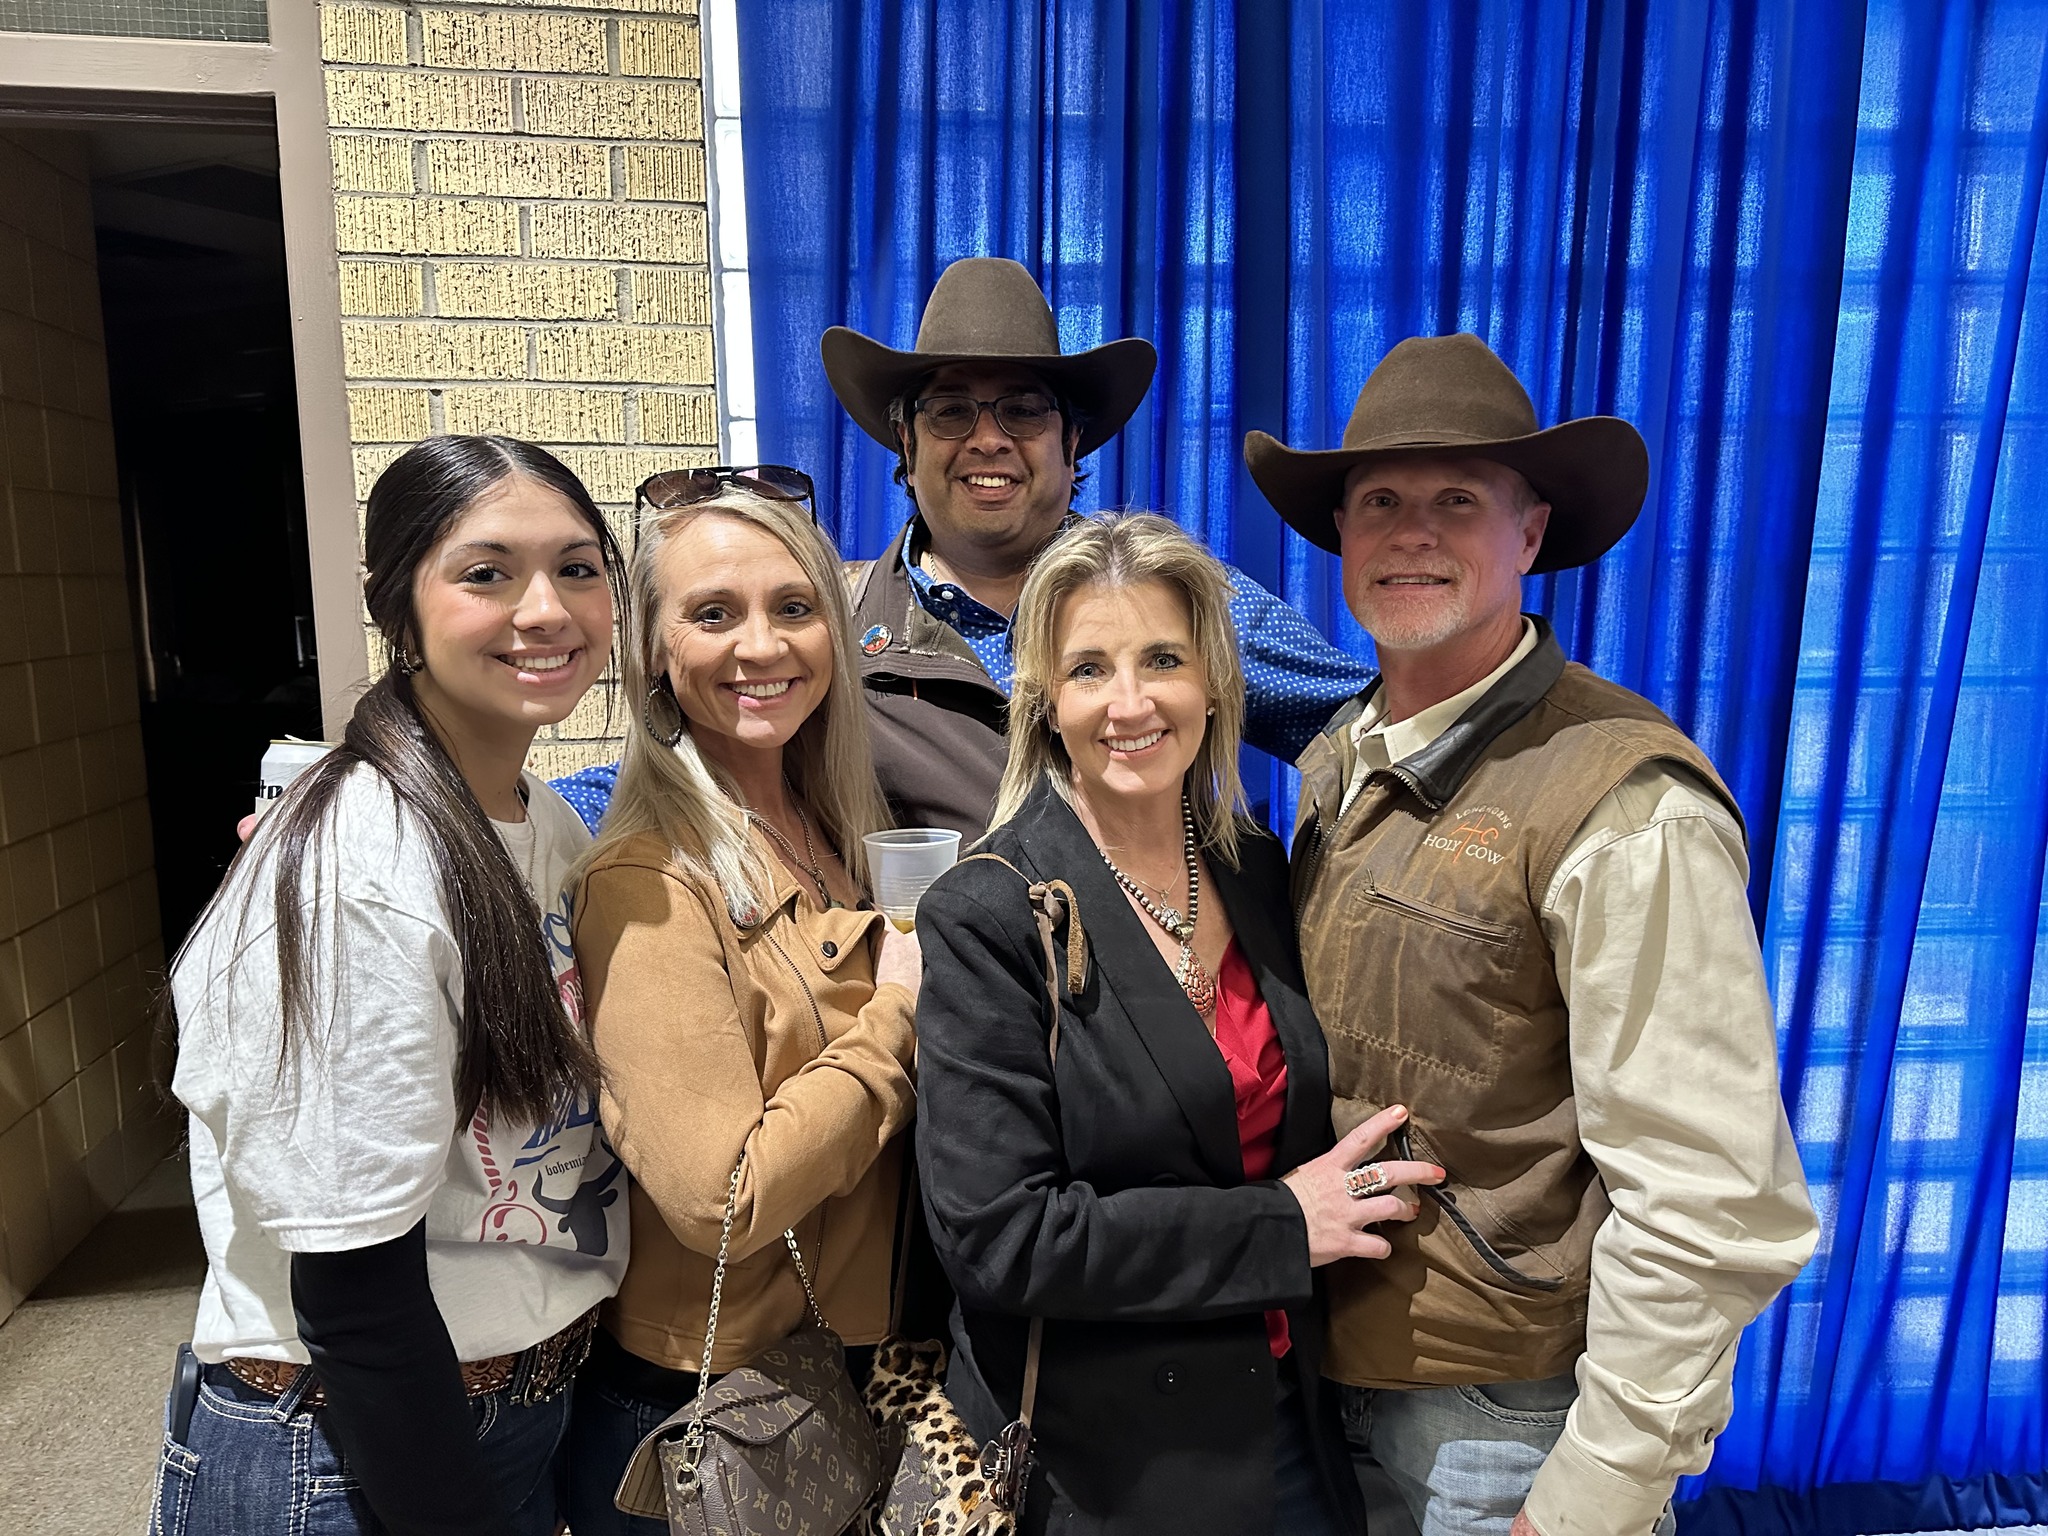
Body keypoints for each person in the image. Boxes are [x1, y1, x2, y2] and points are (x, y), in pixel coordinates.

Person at [1244, 334, 1819, 1536]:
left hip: (1502, 1428)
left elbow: (1708, 1197)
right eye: (1381, 502)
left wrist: (1595, 1493)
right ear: (1339, 536)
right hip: (1325, 1387)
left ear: (1530, 532)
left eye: (1458, 500)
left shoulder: (1621, 804)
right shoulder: (1330, 761)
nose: (1412, 533)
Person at [913, 513, 1443, 1534]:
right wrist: (1284, 1226)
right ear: (1044, 702)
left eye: (1161, 658)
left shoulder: (1253, 869)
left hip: (1290, 1421)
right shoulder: (988, 911)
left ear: (1212, 684)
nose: (1129, 702)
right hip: (1105, 1472)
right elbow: (1001, 1239)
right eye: (1087, 670)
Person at [159, 436, 631, 1536]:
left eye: (576, 566)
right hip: (352, 1453)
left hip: (495, 1418)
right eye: (485, 573)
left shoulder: (532, 815)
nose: (546, 608)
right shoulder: (356, 868)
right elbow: (354, 1295)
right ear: (396, 607)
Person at [552, 256, 1372, 838]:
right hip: (951, 1053)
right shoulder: (827, 625)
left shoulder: (1175, 600)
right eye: (950, 411)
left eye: (1022, 409)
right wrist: (501, 816)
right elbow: (672, 771)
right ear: (904, 443)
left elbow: (1367, 725)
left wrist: (1303, 890)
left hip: (1168, 1033)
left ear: (1071, 440)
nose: (988, 440)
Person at [562, 468, 920, 1535]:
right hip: (714, 1419)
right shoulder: (649, 875)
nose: (759, 647)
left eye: (792, 608)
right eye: (712, 614)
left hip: (841, 1378)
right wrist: (897, 1014)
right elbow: (722, 1198)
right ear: (656, 654)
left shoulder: (838, 826)